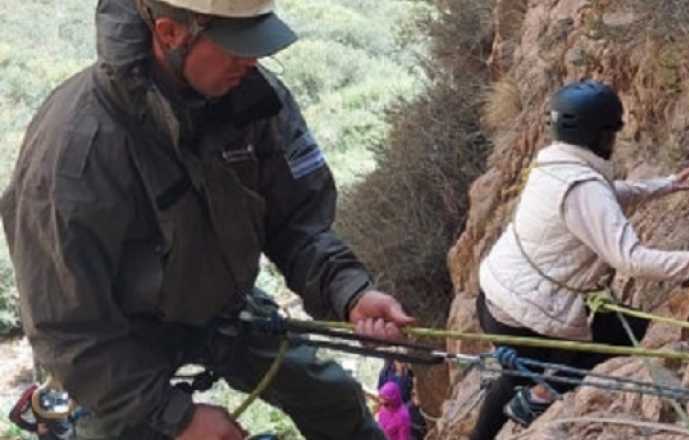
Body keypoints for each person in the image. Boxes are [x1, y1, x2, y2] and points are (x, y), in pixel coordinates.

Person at [0, 1, 415, 439]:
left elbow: (295, 222)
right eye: (237, 47)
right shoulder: (75, 148)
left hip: (217, 305)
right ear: (170, 33)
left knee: (332, 399)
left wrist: (348, 290)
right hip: (113, 347)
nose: (252, 61)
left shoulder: (251, 98)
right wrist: (174, 417)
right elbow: (67, 329)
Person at [470, 80, 689, 439]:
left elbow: (604, 197)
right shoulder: (582, 186)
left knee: (517, 370)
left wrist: (665, 185)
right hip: (528, 317)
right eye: (610, 134)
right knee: (626, 338)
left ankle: (493, 425)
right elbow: (631, 259)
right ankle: (539, 396)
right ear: (598, 136)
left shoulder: (553, 164)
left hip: (496, 302)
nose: (613, 141)